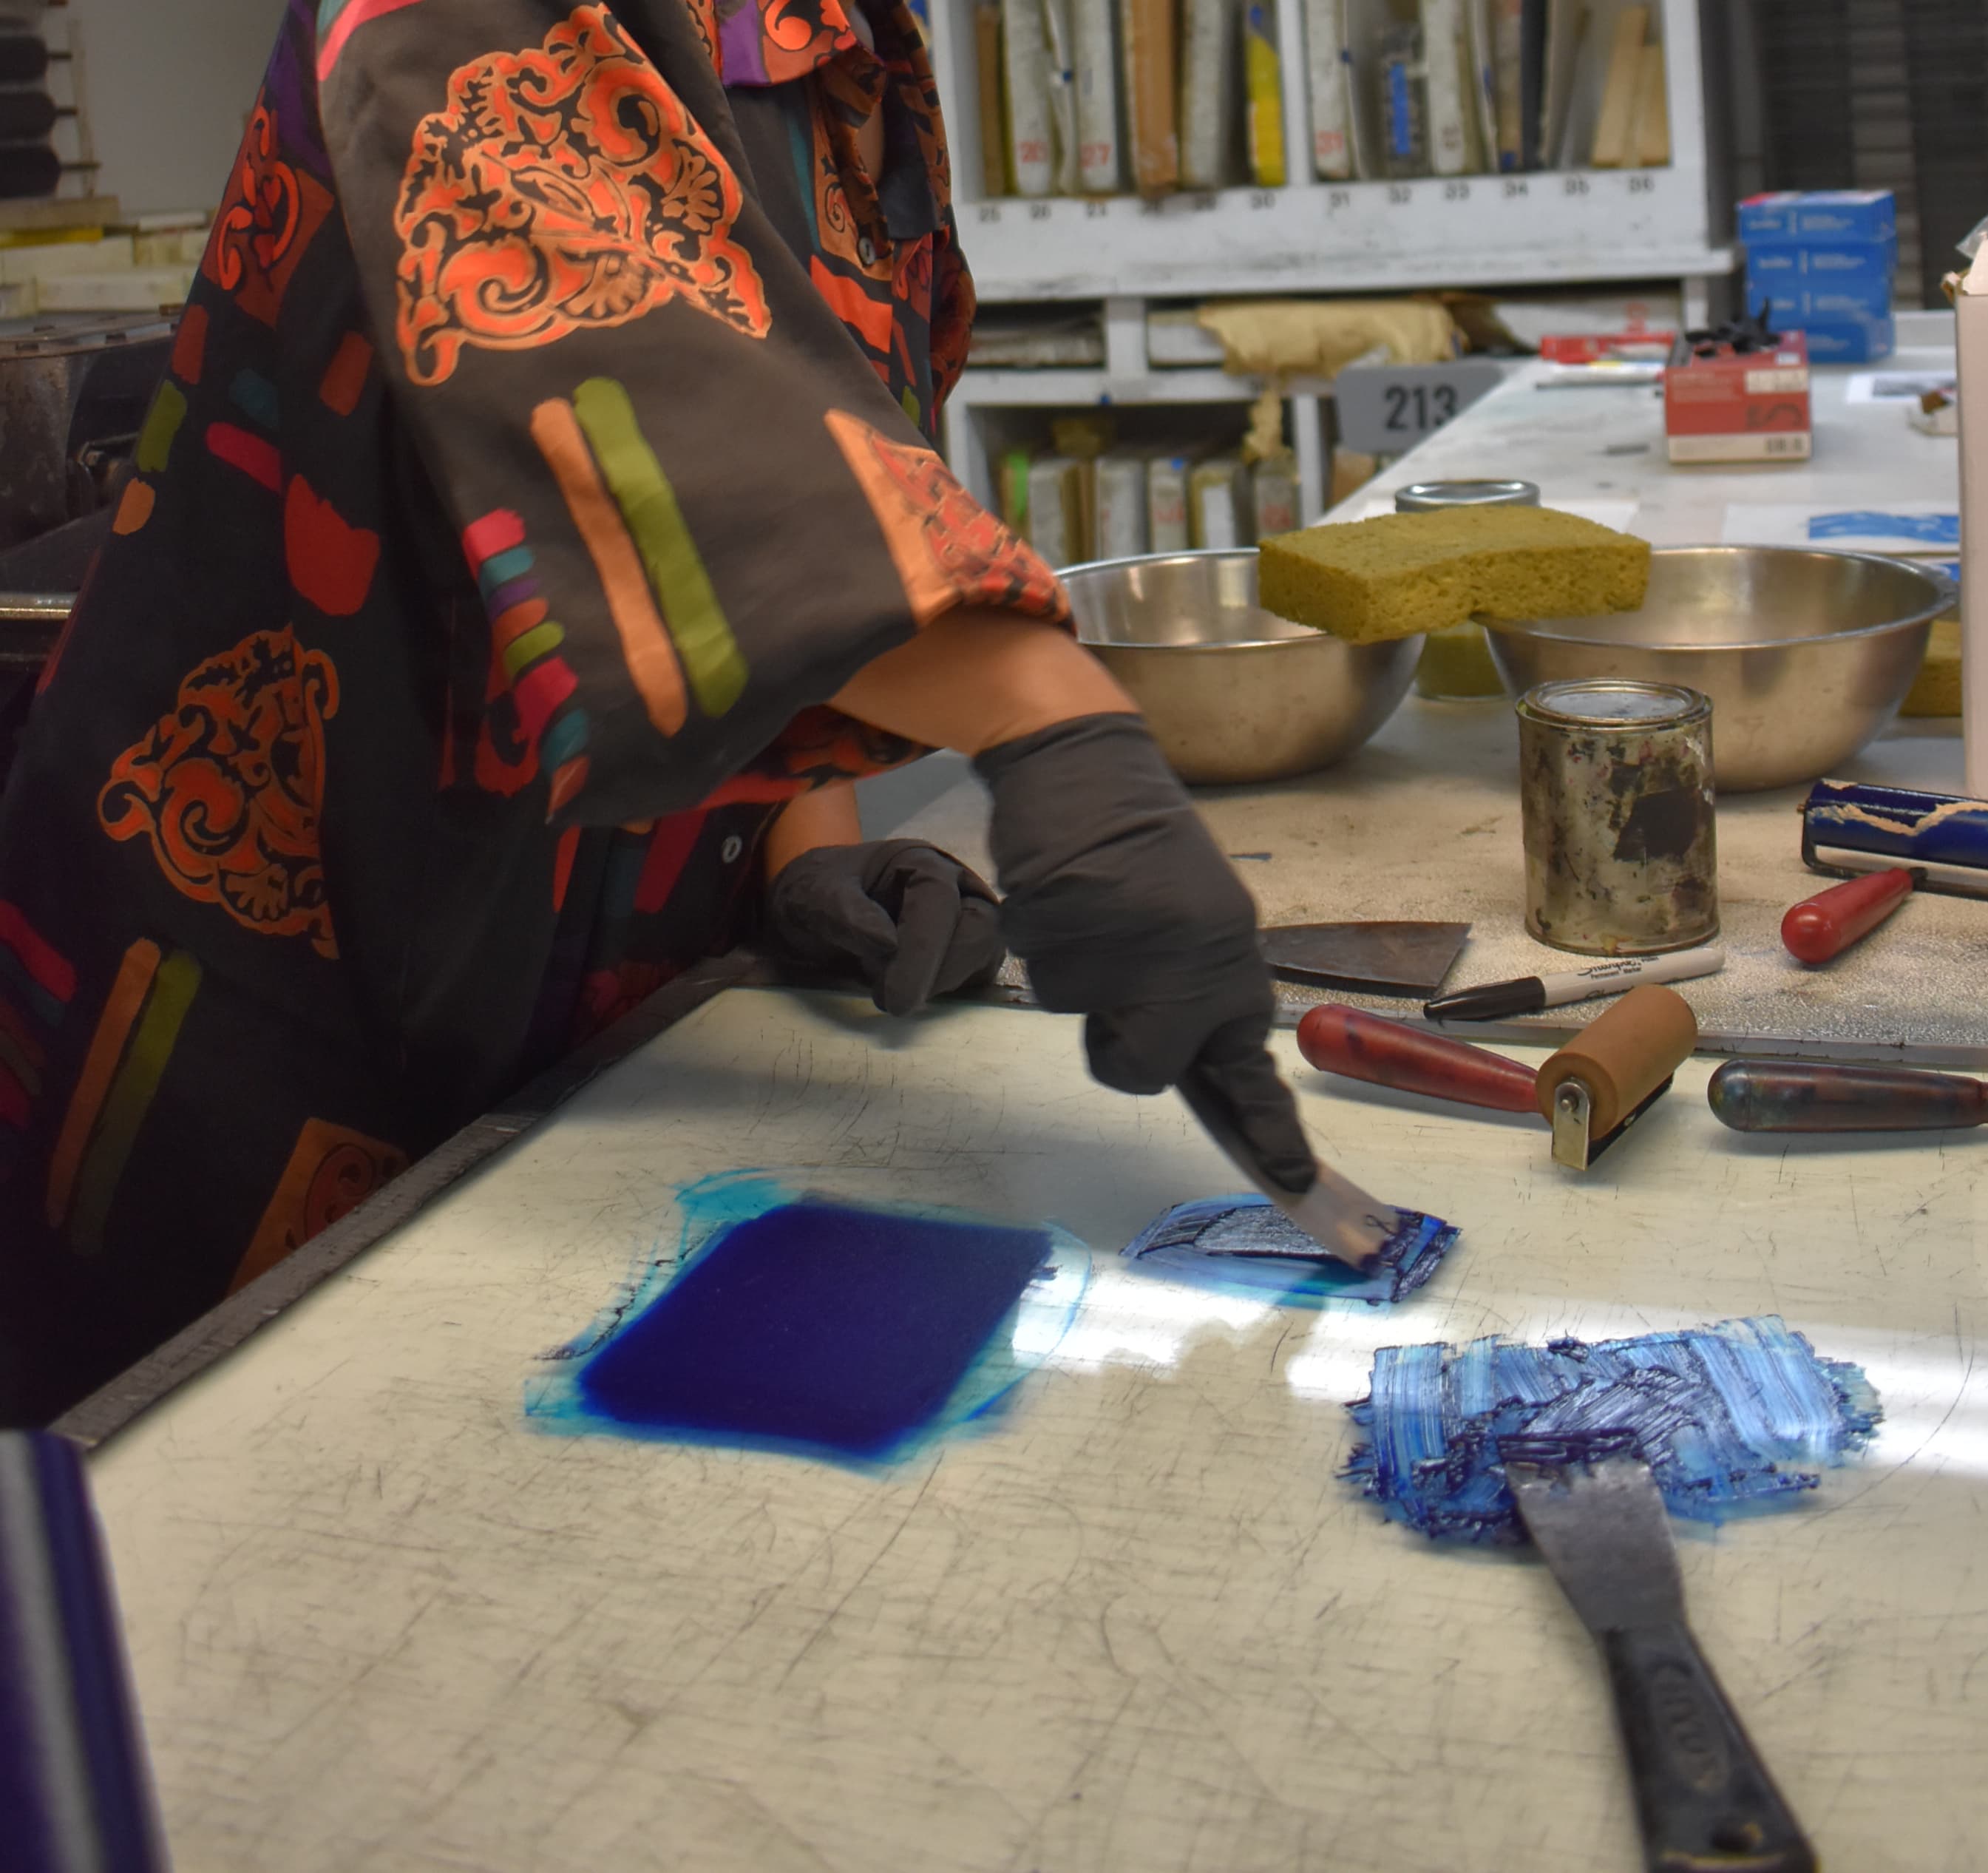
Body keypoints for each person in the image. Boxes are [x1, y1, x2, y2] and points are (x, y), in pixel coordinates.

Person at [0, 0, 1317, 1426]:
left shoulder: (839, 48)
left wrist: (802, 840)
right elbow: (657, 414)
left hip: (586, 1053)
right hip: (247, 1013)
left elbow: (825, 426)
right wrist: (1053, 720)